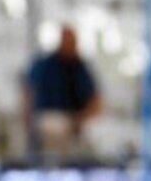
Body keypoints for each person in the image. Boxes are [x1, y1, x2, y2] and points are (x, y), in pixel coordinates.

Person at [23, 25, 101, 156]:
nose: (70, 45)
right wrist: (27, 116)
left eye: (73, 42)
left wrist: (82, 118)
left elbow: (95, 99)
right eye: (67, 41)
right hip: (48, 118)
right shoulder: (45, 65)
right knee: (54, 131)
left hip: (74, 120)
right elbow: (28, 90)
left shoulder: (80, 68)